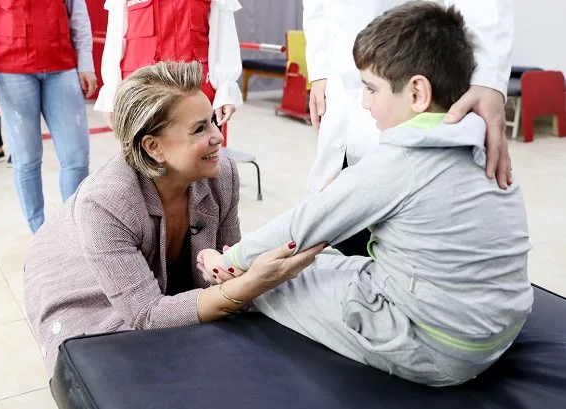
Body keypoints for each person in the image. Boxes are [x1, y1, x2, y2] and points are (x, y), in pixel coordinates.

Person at [199, 2, 532, 387]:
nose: (363, 101)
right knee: (327, 262)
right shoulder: (481, 144)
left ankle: (227, 274)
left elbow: (302, 225)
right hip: (496, 330)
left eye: (371, 89)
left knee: (272, 277)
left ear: (417, 93)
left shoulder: (397, 163)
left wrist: (235, 258)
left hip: (435, 345)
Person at [24, 61, 324, 374]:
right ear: (153, 147)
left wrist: (233, 270)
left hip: (146, 287)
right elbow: (146, 315)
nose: (217, 137)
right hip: (85, 293)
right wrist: (252, 283)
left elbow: (229, 267)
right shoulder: (106, 203)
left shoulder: (222, 176)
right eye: (199, 129)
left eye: (212, 122)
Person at [303, 0, 514, 256]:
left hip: (412, 85)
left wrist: (488, 79)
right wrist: (321, 69)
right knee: (336, 237)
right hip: (346, 95)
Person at [0, 0, 97, 233]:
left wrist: (85, 63)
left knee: (76, 158)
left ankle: (75, 231)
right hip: (10, 70)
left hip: (62, 65)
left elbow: (78, 12)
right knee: (27, 160)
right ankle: (39, 233)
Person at [94, 0, 243, 130]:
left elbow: (224, 35)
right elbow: (115, 40)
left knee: (199, 159)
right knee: (143, 159)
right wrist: (111, 95)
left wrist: (226, 89)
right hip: (143, 95)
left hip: (197, 93)